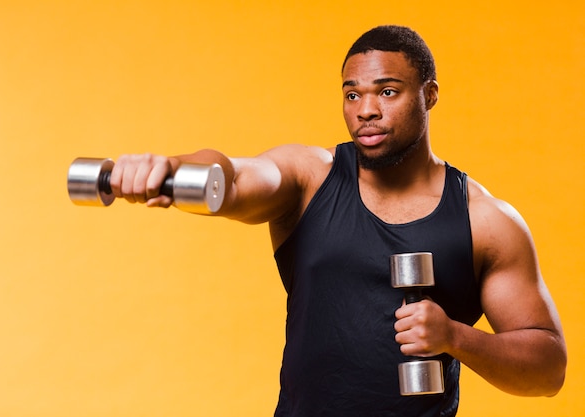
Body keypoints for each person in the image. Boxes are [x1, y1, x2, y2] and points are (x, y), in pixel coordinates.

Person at [108, 25, 566, 416]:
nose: (365, 110)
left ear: (429, 95)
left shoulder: (483, 220)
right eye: (352, 94)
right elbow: (232, 175)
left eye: (387, 91)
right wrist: (168, 169)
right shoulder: (308, 179)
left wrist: (456, 338)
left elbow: (548, 369)